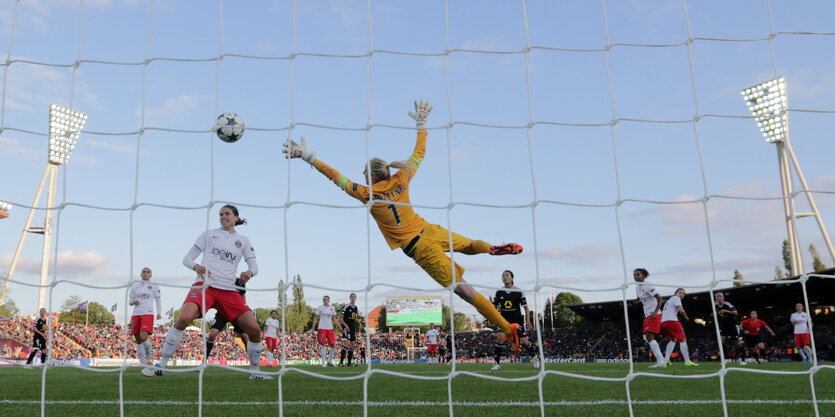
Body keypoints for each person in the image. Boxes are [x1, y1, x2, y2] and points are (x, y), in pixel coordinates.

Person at [283, 100, 524, 352]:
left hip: (420, 248)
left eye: (365, 172)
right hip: (431, 229)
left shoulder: (368, 194)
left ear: (373, 176)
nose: (363, 175)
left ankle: (509, 330)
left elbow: (336, 177)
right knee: (470, 246)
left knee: (464, 291)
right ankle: (493, 249)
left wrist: (309, 157)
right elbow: (419, 153)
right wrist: (422, 123)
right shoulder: (402, 177)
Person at [143, 204, 272, 380]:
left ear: (236, 217)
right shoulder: (209, 234)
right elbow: (187, 259)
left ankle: (255, 372)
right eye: (220, 214)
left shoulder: (244, 240)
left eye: (227, 214)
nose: (223, 217)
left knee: (255, 330)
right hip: (205, 286)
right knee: (184, 318)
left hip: (228, 290)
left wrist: (249, 272)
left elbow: (254, 266)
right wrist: (195, 265)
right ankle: (161, 364)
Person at [491, 270, 540, 370]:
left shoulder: (519, 291)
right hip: (504, 321)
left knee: (524, 341)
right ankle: (497, 364)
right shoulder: (499, 292)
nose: (505, 277)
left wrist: (528, 321)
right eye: (503, 276)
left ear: (512, 278)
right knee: (500, 337)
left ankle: (535, 357)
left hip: (517, 321)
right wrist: (491, 319)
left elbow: (526, 308)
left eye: (507, 275)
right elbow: (493, 307)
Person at [205, 278, 249, 361]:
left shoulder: (239, 281)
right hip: (222, 312)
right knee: (212, 334)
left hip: (236, 312)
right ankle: (204, 361)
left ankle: (252, 363)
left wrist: (244, 308)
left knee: (245, 337)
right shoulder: (219, 280)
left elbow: (242, 295)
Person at [129, 267, 161, 371]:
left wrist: (159, 313)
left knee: (144, 336)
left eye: (148, 272)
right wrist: (134, 302)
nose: (145, 273)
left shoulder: (154, 286)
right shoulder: (135, 286)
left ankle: (149, 358)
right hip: (136, 314)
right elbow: (130, 301)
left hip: (148, 313)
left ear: (150, 275)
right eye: (144, 272)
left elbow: (158, 300)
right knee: (138, 339)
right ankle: (143, 364)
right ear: (141, 274)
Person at [633, 268, 666, 368]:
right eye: (634, 275)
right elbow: (640, 299)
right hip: (647, 315)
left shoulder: (648, 285)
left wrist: (656, 312)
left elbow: (660, 299)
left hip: (653, 314)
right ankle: (661, 361)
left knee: (649, 337)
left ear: (643, 275)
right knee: (646, 337)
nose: (635, 276)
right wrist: (632, 303)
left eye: (638, 274)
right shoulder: (637, 287)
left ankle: (661, 362)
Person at [659, 288, 697, 367]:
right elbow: (681, 310)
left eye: (683, 294)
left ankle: (666, 359)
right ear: (675, 293)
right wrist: (686, 317)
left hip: (663, 322)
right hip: (672, 321)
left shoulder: (668, 301)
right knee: (683, 339)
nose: (681, 295)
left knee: (673, 339)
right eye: (680, 292)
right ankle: (687, 361)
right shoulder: (676, 298)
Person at [714, 291, 745, 365]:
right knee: (720, 342)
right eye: (717, 296)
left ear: (723, 297)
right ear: (715, 298)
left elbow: (736, 313)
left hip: (732, 326)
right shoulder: (715, 306)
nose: (719, 298)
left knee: (737, 342)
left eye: (720, 296)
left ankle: (743, 360)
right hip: (724, 326)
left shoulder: (727, 304)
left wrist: (726, 311)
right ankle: (727, 358)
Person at [310, 295, 338, 367]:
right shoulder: (319, 308)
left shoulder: (332, 308)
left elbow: (334, 319)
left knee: (332, 345)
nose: (326, 301)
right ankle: (323, 362)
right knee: (323, 344)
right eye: (324, 300)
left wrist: (339, 326)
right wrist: (313, 328)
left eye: (327, 299)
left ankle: (330, 361)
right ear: (323, 301)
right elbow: (315, 318)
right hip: (322, 327)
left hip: (330, 328)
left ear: (329, 300)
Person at [337, 293, 361, 367]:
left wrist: (359, 323)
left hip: (353, 328)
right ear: (350, 298)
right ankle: (341, 362)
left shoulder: (356, 308)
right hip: (346, 328)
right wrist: (345, 326)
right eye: (352, 297)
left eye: (354, 297)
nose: (353, 298)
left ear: (356, 298)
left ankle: (349, 363)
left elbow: (355, 317)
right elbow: (340, 318)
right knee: (347, 344)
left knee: (352, 345)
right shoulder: (346, 306)